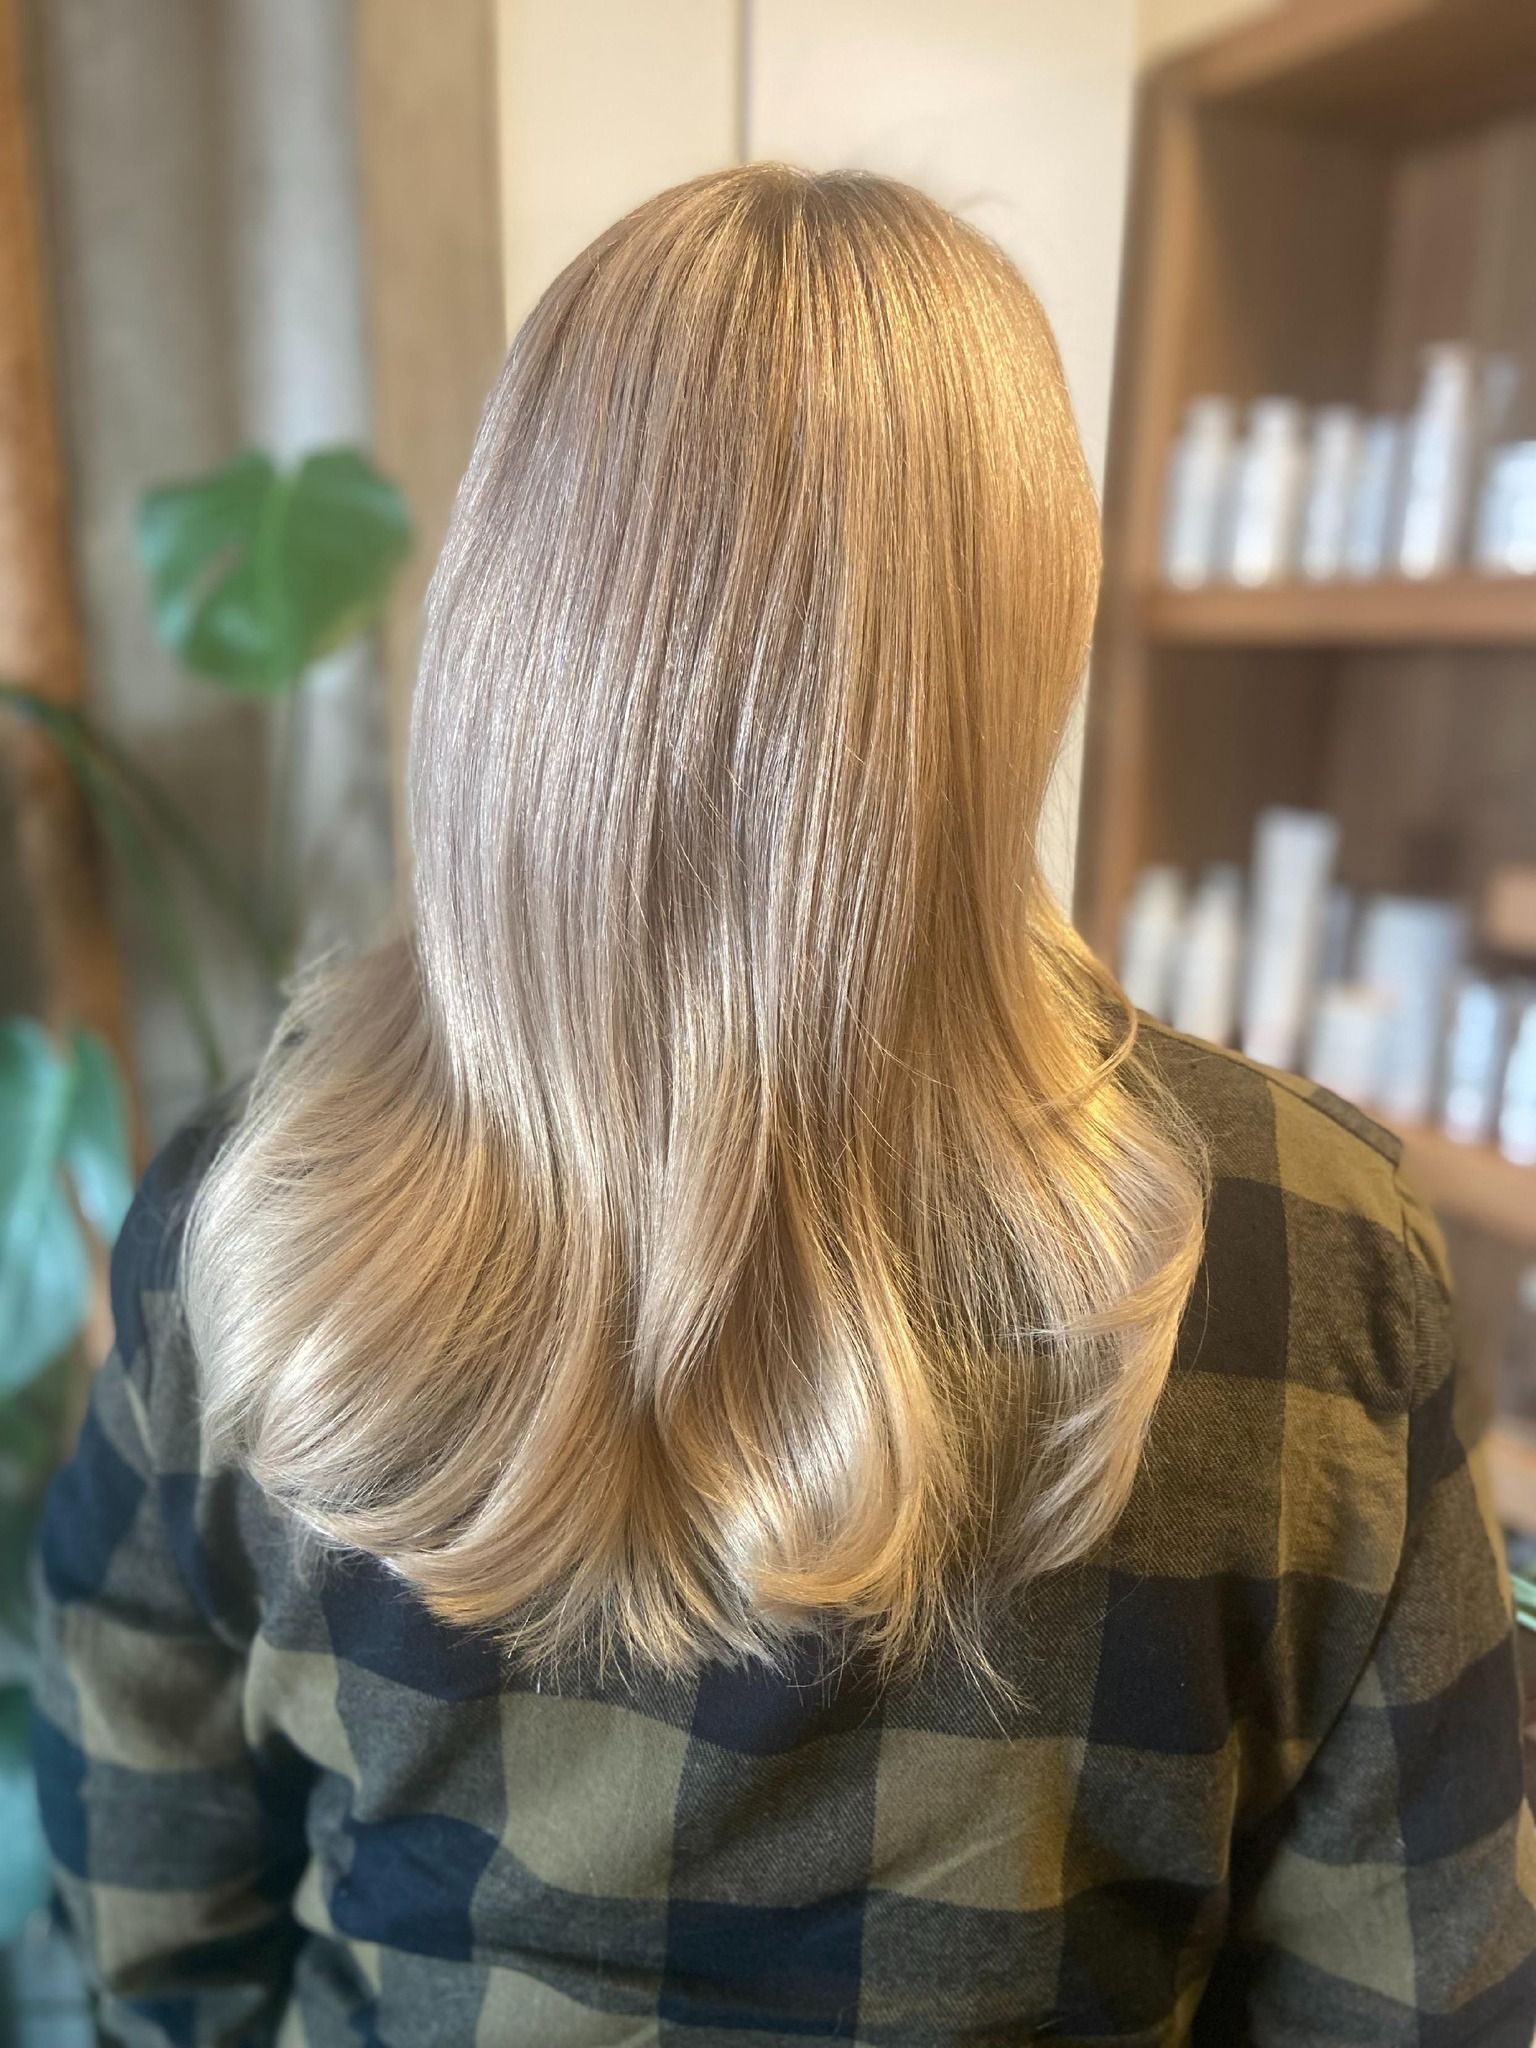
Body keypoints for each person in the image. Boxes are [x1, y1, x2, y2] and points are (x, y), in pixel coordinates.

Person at [33, 163, 1536, 2046]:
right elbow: (1417, 2000)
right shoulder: (1300, 1251)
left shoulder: (255, 1228)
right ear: (1009, 657)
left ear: (512, 620)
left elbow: (147, 1903)